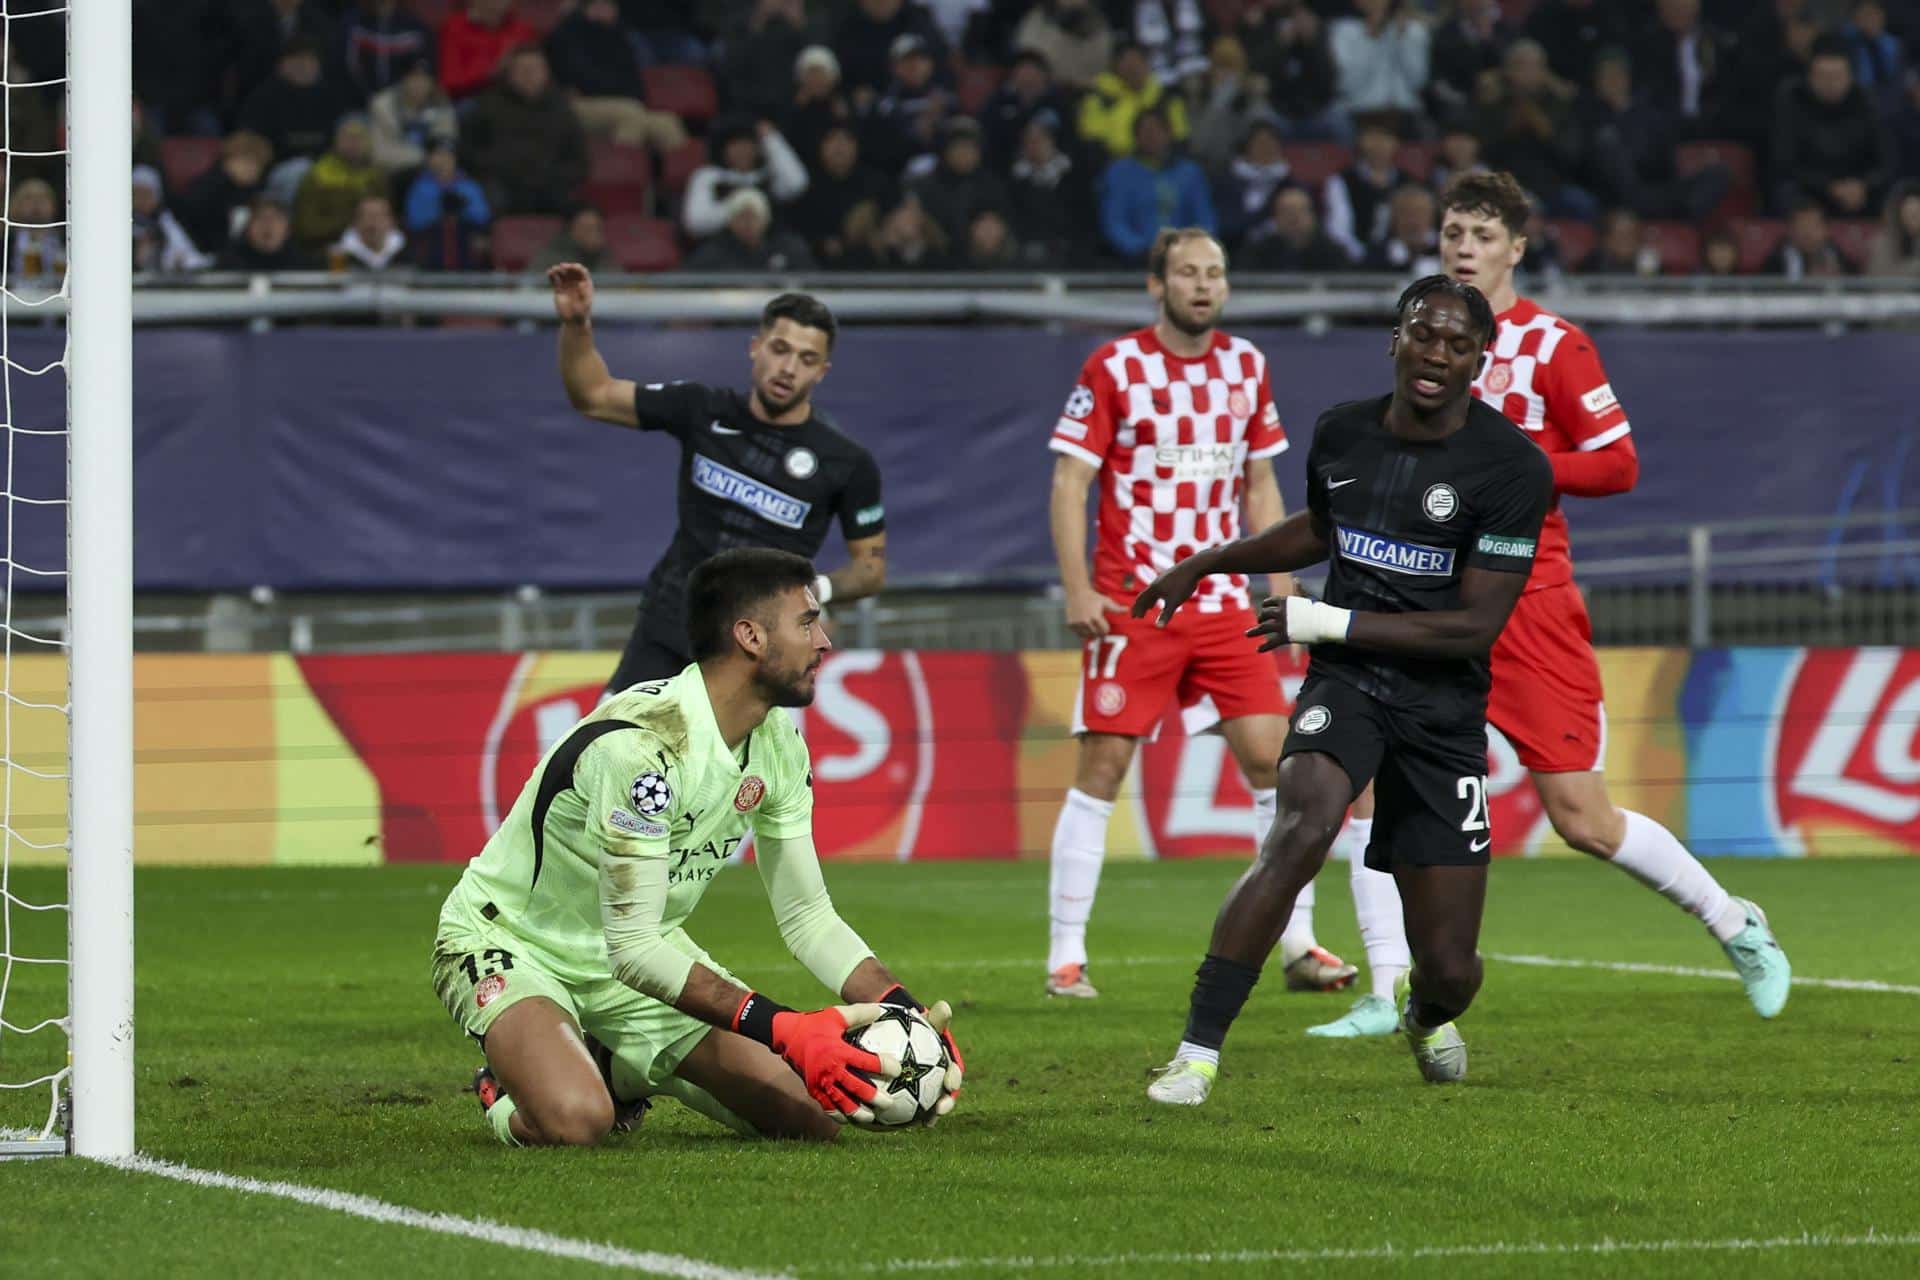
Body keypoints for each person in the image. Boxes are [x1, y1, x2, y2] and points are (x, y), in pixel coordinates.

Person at [1307, 171, 1791, 1041]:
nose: (1463, 247)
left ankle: (1735, 923)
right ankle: (1389, 990)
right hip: (1420, 594)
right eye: (1453, 231)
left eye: (1482, 236)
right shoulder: (1427, 338)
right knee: (1368, 785)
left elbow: (1618, 463)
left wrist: (1511, 469)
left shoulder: (1554, 347)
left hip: (1527, 600)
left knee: (1582, 817)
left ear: (1517, 250)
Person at [1135, 276, 1552, 1104]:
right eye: (1422, 334)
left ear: (1481, 359)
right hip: (1349, 685)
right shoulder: (1341, 433)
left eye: (1456, 344)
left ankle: (1425, 1014)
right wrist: (1213, 559)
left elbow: (1474, 628)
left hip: (1442, 711)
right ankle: (1196, 1052)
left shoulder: (1513, 468)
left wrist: (1323, 622)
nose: (1436, 354)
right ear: (1394, 338)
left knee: (1452, 967)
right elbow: (1324, 531)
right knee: (1301, 827)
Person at [436, 547, 962, 1145]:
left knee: (813, 1116)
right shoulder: (642, 751)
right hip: (512, 943)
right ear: (751, 636)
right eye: (808, 622)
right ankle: (505, 1092)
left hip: (636, 963)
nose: (826, 642)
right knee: (578, 1121)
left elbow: (808, 917)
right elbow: (631, 947)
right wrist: (784, 1027)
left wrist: (906, 1012)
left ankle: (617, 1066)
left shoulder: (779, 746)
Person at [1042, 227, 1354, 1002]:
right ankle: (1066, 958)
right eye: (1188, 272)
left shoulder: (1247, 366)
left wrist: (1282, 588)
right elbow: (1070, 484)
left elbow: (1261, 487)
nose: (1204, 284)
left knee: (1277, 763)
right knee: (1103, 769)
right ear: (1158, 284)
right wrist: (1079, 589)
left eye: (1215, 272)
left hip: (1221, 600)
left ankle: (1300, 944)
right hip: (1137, 599)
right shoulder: (1114, 366)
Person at [547, 270, 888, 696]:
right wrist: (576, 324)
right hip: (669, 627)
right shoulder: (701, 410)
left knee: (725, 765)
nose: (787, 368)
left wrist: (816, 590)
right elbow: (593, 394)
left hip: (757, 652)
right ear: (755, 348)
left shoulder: (847, 462)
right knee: (611, 753)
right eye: (780, 349)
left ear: (822, 371)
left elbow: (870, 568)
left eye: (806, 359)